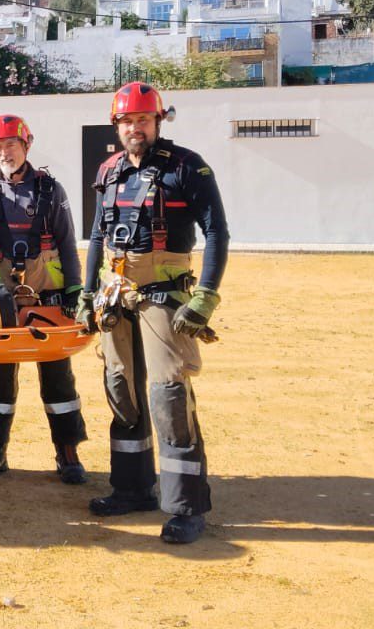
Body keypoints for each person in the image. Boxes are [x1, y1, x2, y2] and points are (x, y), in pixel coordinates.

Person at [77, 82, 228, 544]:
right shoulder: (110, 171)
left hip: (164, 295)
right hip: (115, 293)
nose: (134, 128)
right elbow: (99, 239)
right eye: (126, 121)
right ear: (117, 126)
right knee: (120, 387)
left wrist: (205, 296)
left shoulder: (188, 168)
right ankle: (131, 488)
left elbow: (217, 233)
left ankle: (186, 506)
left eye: (143, 120)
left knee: (168, 394)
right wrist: (87, 294)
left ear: (159, 121)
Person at [0, 114, 87, 484]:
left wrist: (75, 290)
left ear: (26, 145)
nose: (4, 152)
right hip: (1, 301)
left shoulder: (51, 191)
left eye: (10, 144)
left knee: (58, 378)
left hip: (49, 298)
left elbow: (66, 241)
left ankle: (67, 452)